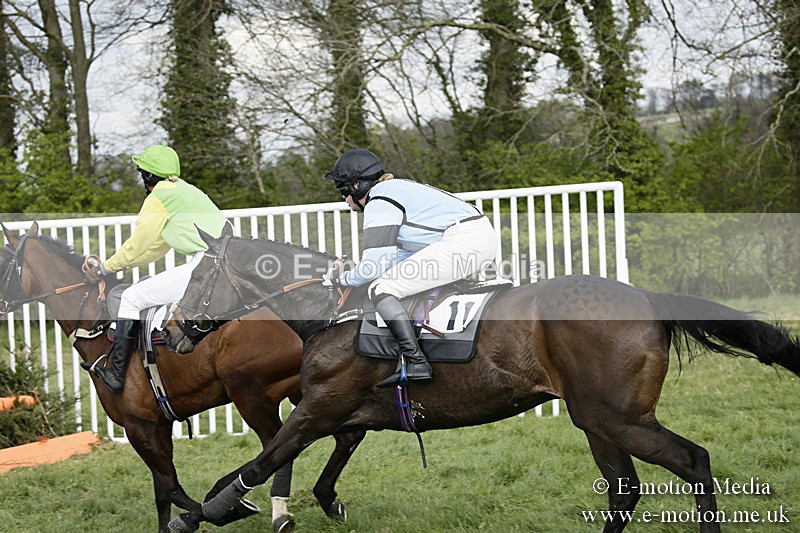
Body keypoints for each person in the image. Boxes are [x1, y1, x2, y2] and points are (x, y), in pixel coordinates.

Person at [323, 148, 497, 387]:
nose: (344, 199)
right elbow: (397, 258)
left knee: (381, 289)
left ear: (356, 185)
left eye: (343, 190)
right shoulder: (393, 190)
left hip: (465, 242)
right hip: (474, 237)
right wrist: (358, 271)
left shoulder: (379, 200)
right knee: (394, 281)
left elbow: (374, 268)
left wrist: (341, 279)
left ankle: (416, 362)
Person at [84, 145, 232, 394]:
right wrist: (120, 265)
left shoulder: (158, 198)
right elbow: (155, 247)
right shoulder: (187, 191)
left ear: (148, 176)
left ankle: (116, 375)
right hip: (228, 263)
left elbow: (138, 244)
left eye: (142, 172)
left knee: (130, 298)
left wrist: (105, 269)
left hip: (206, 266)